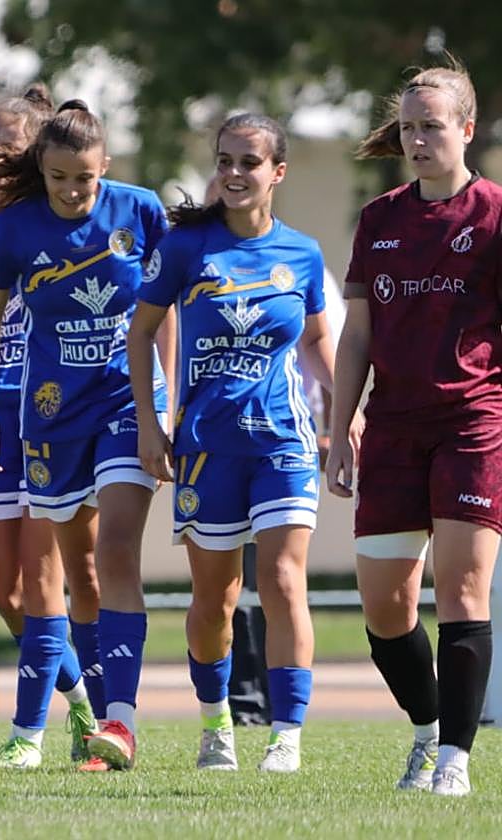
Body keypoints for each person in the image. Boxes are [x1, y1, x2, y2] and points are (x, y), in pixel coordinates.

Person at [0, 100, 170, 772]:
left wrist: (160, 405)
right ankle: (99, 733)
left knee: (113, 551)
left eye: (84, 178)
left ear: (104, 166)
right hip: (49, 414)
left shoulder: (139, 212)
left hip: (124, 400)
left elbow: (167, 306)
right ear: (41, 173)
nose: (73, 192)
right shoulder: (15, 230)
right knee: (78, 574)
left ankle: (123, 722)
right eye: (59, 179)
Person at [129, 113, 338, 774]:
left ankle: (287, 735)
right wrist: (149, 424)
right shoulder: (187, 248)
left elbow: (314, 339)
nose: (234, 174)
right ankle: (216, 722)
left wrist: (345, 406)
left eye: (249, 162)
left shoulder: (301, 254)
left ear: (277, 172)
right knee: (214, 599)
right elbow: (141, 335)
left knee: (281, 579)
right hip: (205, 446)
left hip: (282, 441)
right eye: (225, 161)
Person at [326, 62, 501, 797]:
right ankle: (426, 733)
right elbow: (356, 337)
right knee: (385, 611)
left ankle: (455, 761)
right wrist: (340, 432)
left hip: (473, 423)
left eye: (432, 125)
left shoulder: (494, 213)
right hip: (391, 430)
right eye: (408, 127)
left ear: (465, 129)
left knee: (462, 591)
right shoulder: (381, 219)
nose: (419, 139)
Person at [0, 87, 95, 768]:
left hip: (49, 417)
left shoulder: (55, 220)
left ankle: (27, 734)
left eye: (7, 139)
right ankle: (87, 706)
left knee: (42, 585)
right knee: (5, 595)